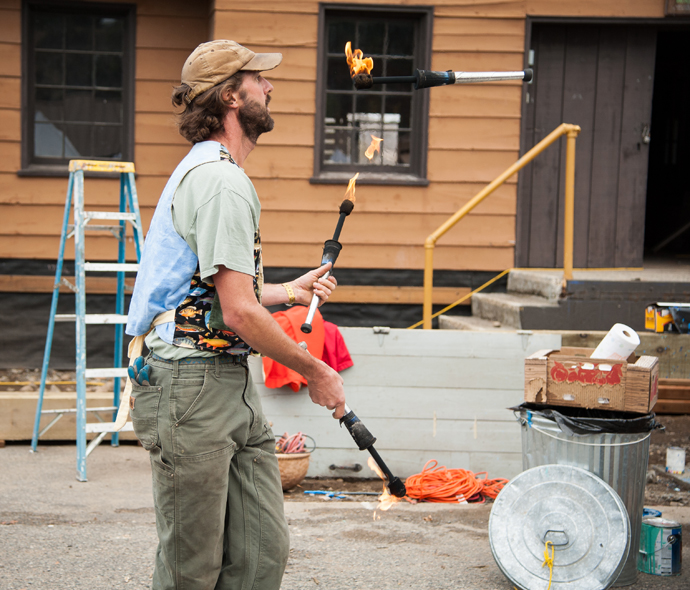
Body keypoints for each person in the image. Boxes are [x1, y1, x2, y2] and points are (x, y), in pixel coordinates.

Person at [124, 40, 346, 590]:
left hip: (226, 381)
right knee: (192, 568)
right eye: (257, 80)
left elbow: (214, 293)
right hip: (190, 384)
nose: (268, 87)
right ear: (230, 96)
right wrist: (315, 370)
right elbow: (239, 312)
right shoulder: (221, 182)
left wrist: (291, 291)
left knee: (260, 554)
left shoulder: (213, 173)